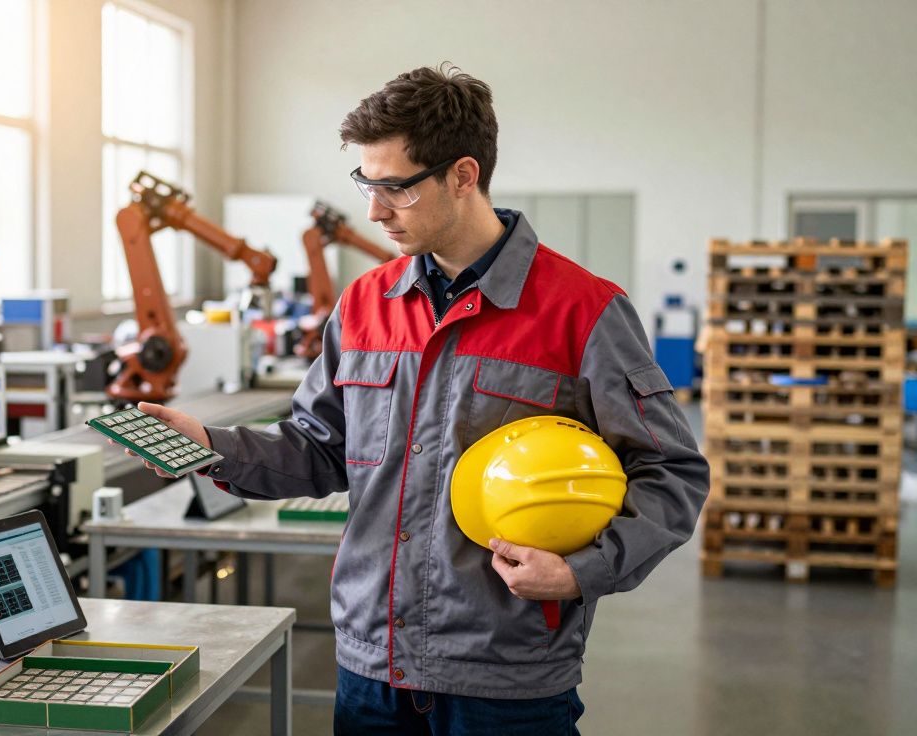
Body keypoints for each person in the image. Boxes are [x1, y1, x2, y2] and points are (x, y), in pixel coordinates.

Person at [128, 63, 709, 735]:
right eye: (365, 185)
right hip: (371, 668)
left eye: (395, 188)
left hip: (504, 676)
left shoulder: (582, 311)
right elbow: (320, 451)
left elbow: (673, 472)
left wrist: (582, 571)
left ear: (463, 175)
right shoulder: (365, 304)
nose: (374, 211)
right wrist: (211, 449)